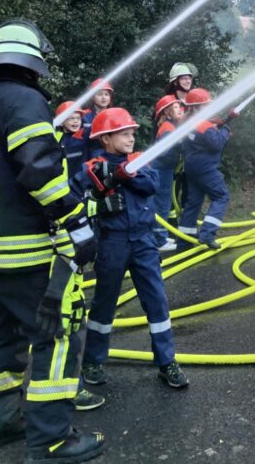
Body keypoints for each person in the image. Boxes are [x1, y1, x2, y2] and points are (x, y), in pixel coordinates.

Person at [0, 19, 104, 461]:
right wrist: (76, 218)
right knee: (56, 336)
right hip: (25, 251)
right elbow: (39, 168)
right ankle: (52, 438)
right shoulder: (25, 101)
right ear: (32, 62)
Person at [74, 108, 189, 391]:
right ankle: (92, 361)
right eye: (124, 134)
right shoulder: (89, 169)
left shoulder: (139, 161)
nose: (130, 138)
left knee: (157, 301)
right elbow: (70, 200)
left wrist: (120, 173)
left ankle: (166, 362)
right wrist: (98, 205)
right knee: (104, 303)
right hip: (112, 243)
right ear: (105, 139)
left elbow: (150, 185)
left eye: (132, 133)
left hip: (144, 242)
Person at [177, 88, 235, 249]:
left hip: (191, 167)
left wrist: (225, 122)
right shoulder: (204, 125)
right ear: (196, 107)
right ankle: (207, 234)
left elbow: (205, 139)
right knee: (221, 196)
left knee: (193, 202)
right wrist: (225, 131)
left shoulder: (188, 122)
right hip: (206, 168)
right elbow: (216, 144)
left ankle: (184, 240)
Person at [151, 94, 185, 252]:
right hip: (162, 171)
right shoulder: (167, 128)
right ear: (167, 113)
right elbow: (165, 152)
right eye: (176, 107)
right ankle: (159, 240)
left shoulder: (171, 126)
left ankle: (161, 236)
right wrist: (179, 150)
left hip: (165, 170)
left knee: (162, 204)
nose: (181, 109)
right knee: (162, 205)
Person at [81, 79, 114, 160]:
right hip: (87, 156)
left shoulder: (115, 115)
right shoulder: (84, 115)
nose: (103, 97)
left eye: (106, 94)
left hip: (112, 154)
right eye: (99, 94)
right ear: (92, 97)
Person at [55, 101, 86, 180]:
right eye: (71, 118)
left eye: (78, 118)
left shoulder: (85, 135)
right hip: (63, 183)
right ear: (61, 122)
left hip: (82, 182)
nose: (76, 121)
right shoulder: (56, 138)